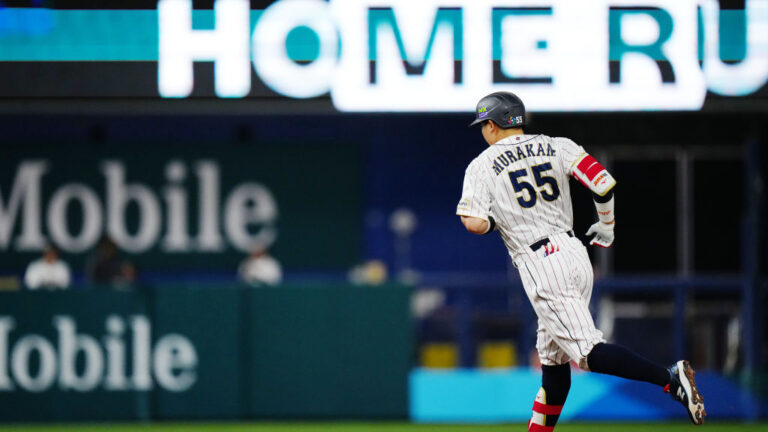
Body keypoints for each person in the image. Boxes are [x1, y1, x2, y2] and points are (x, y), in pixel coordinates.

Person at [456, 92, 706, 429]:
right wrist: (606, 223)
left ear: (491, 124)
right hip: (575, 253)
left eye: (483, 124)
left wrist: (492, 221)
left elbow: (474, 223)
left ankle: (670, 378)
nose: (483, 131)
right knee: (554, 368)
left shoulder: (482, 165)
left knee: (588, 353)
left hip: (541, 262)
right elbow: (602, 184)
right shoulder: (558, 144)